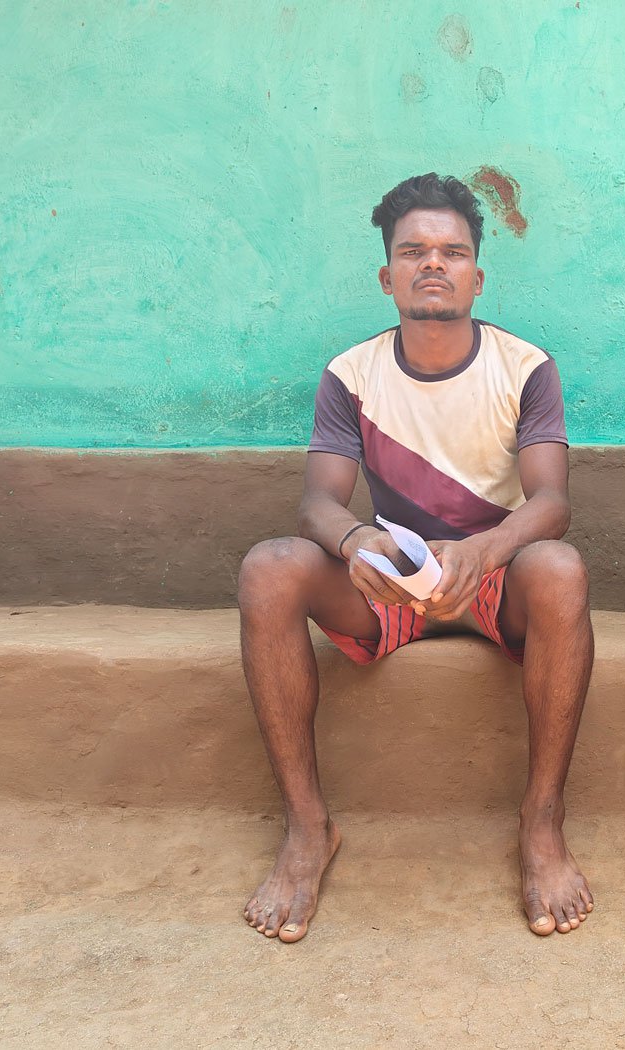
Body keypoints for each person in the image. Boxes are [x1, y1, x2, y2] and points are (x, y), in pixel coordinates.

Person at [237, 173, 594, 943]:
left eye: (452, 252)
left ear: (477, 274)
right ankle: (307, 827)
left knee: (561, 567)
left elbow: (551, 503)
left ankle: (541, 821)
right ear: (387, 274)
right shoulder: (351, 373)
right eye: (414, 252)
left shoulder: (525, 366)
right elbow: (318, 502)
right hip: (392, 583)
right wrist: (355, 538)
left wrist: (484, 549)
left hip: (496, 580)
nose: (434, 264)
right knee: (269, 565)